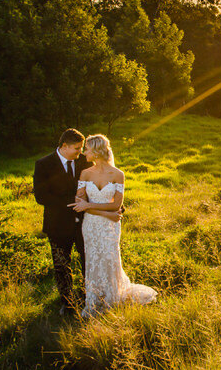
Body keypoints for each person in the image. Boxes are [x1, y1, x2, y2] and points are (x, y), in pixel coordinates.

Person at [69, 134, 156, 317]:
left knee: (110, 259)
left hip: (109, 227)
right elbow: (79, 202)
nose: (85, 153)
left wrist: (90, 206)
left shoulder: (118, 175)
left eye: (88, 149)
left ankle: (112, 298)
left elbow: (116, 206)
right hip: (91, 225)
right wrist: (104, 213)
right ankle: (93, 299)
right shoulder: (85, 173)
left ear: (97, 151)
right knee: (92, 259)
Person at [33, 128, 102, 315]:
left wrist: (108, 204)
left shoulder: (84, 162)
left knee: (88, 260)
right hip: (57, 225)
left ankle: (89, 296)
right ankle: (67, 302)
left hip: (84, 223)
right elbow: (41, 196)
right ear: (64, 146)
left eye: (81, 149)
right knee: (61, 264)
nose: (81, 152)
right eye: (77, 149)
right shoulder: (43, 164)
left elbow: (97, 185)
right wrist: (72, 203)